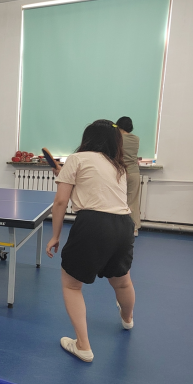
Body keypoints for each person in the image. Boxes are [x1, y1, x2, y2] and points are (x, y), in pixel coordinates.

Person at [46, 120, 136, 363]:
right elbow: (96, 187)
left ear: (88, 138)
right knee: (123, 283)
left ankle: (83, 346)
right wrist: (65, 175)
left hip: (93, 224)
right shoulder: (118, 166)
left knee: (72, 285)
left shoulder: (77, 159)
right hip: (124, 224)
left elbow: (61, 202)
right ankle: (127, 319)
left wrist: (55, 236)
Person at [116, 116, 141, 237]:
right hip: (134, 173)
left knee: (117, 200)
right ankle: (134, 228)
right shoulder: (136, 139)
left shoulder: (117, 139)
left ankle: (118, 227)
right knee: (133, 201)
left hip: (120, 173)